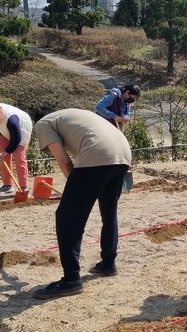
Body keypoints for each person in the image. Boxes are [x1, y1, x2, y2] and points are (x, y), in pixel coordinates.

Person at [31, 108, 132, 299]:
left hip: (98, 152)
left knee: (68, 217)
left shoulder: (44, 123)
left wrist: (75, 192)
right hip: (122, 152)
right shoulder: (73, 115)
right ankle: (108, 264)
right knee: (109, 211)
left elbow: (63, 160)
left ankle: (71, 280)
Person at [0, 101, 33, 194]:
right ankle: (8, 185)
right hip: (1, 130)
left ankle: (23, 187)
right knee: (4, 158)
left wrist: (7, 151)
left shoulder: (12, 119)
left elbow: (16, 138)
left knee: (19, 157)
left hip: (21, 129)